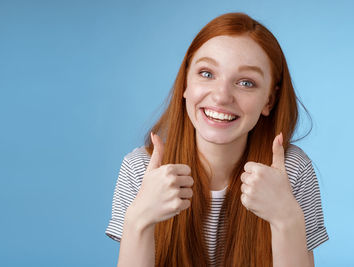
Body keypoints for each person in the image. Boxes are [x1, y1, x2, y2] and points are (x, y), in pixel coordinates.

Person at [105, 12, 329, 267]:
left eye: (246, 82)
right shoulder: (140, 170)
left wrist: (286, 219)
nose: (222, 96)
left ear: (269, 100)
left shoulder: (292, 171)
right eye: (207, 73)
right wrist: (138, 220)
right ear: (185, 83)